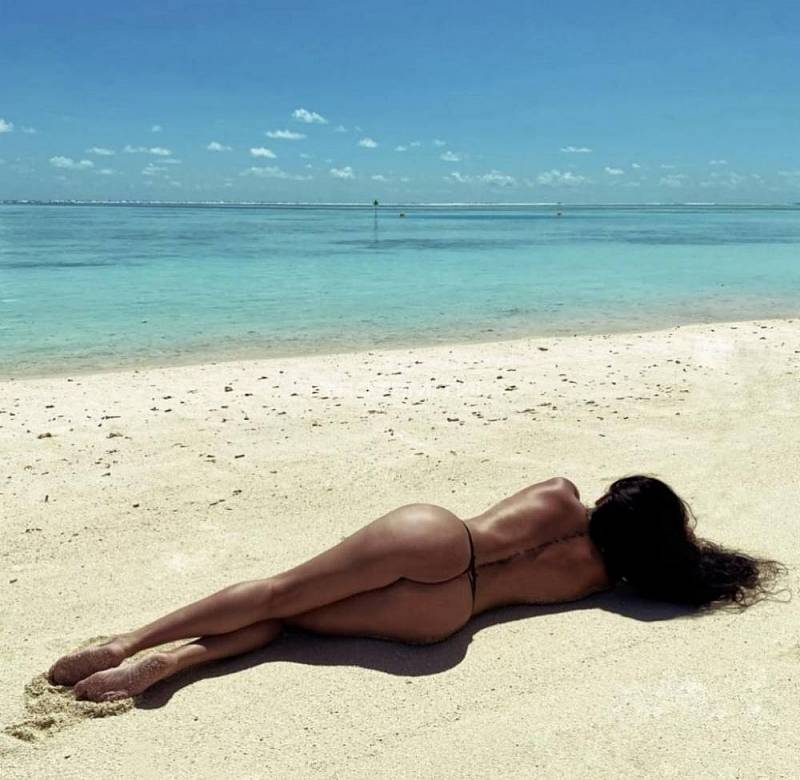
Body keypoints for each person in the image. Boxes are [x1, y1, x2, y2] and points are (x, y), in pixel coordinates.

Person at [48, 475, 783, 702]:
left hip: (440, 539)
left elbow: (536, 511)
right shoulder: (598, 580)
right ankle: (175, 664)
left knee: (280, 591)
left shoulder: (561, 493)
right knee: (295, 625)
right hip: (446, 615)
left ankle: (129, 642)